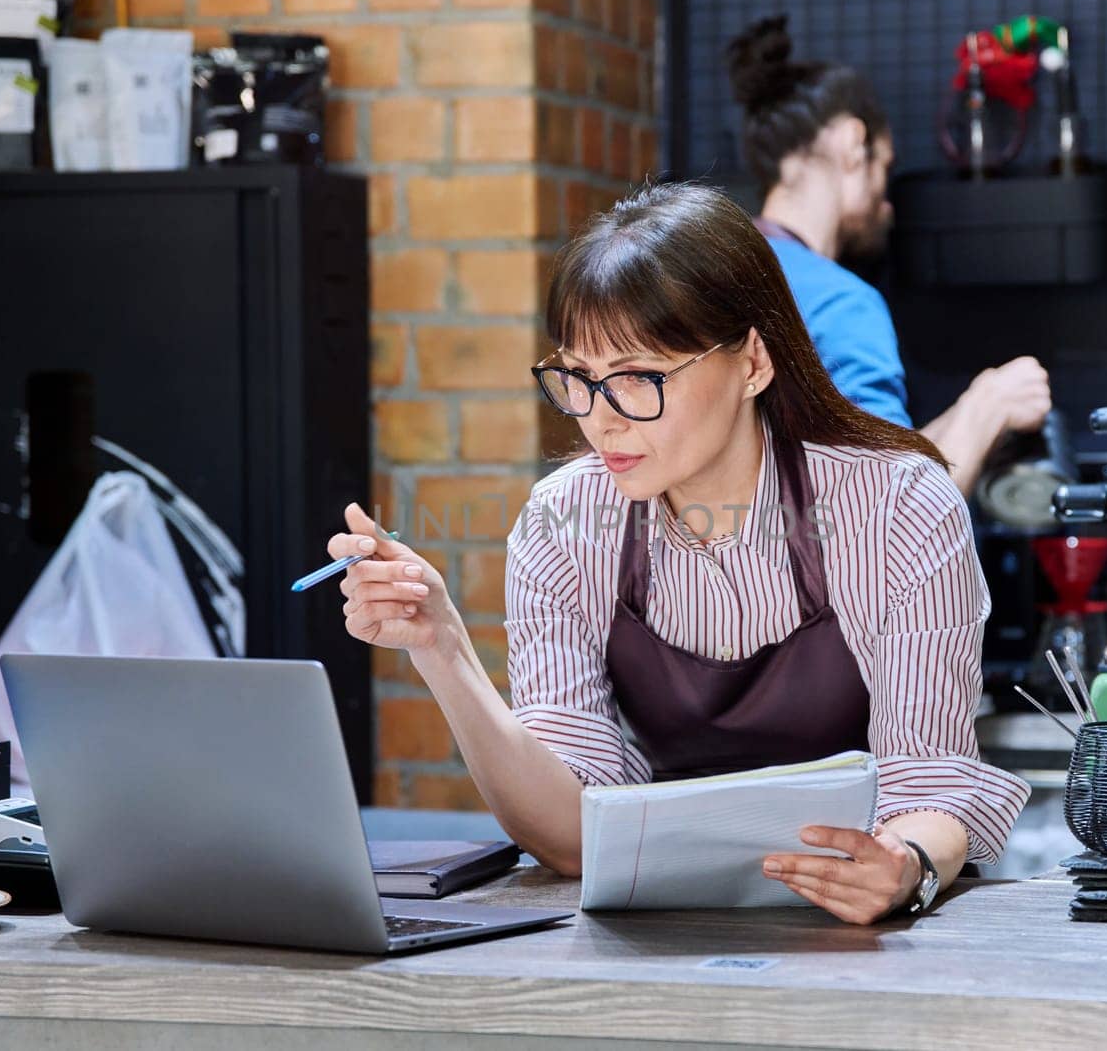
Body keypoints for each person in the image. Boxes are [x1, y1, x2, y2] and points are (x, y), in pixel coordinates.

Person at [331, 183, 1027, 926]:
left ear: (753, 361)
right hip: (661, 928)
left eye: (638, 378)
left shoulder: (898, 507)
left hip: (860, 929)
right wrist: (442, 648)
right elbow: (571, 832)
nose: (601, 421)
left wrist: (902, 868)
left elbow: (931, 788)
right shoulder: (565, 522)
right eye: (579, 379)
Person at [727, 16, 1052, 496]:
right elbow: (886, 508)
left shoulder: (720, 270)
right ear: (852, 145)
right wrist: (989, 406)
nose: (888, 203)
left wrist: (967, 411)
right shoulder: (840, 302)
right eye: (886, 166)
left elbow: (874, 464)